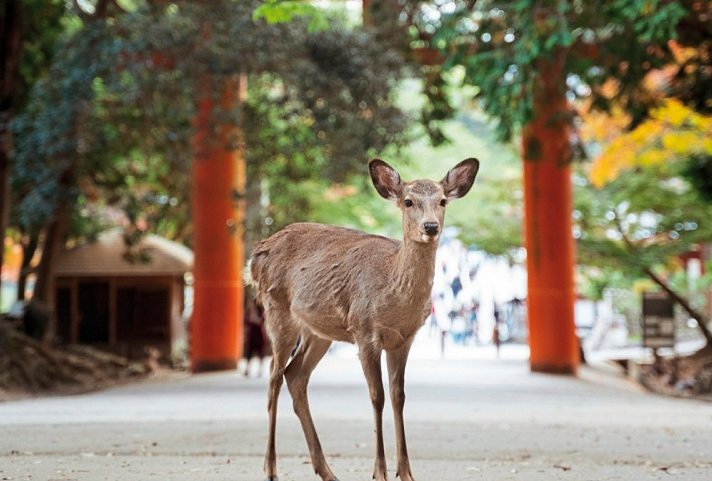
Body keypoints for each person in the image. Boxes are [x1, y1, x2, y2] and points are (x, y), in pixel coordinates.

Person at [243, 298, 267, 377]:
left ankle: (260, 370)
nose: (250, 305)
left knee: (260, 353)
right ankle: (247, 369)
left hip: (259, 335)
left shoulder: (260, 312)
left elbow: (261, 321)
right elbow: (245, 323)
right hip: (251, 335)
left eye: (252, 303)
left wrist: (255, 318)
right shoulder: (248, 312)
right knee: (249, 353)